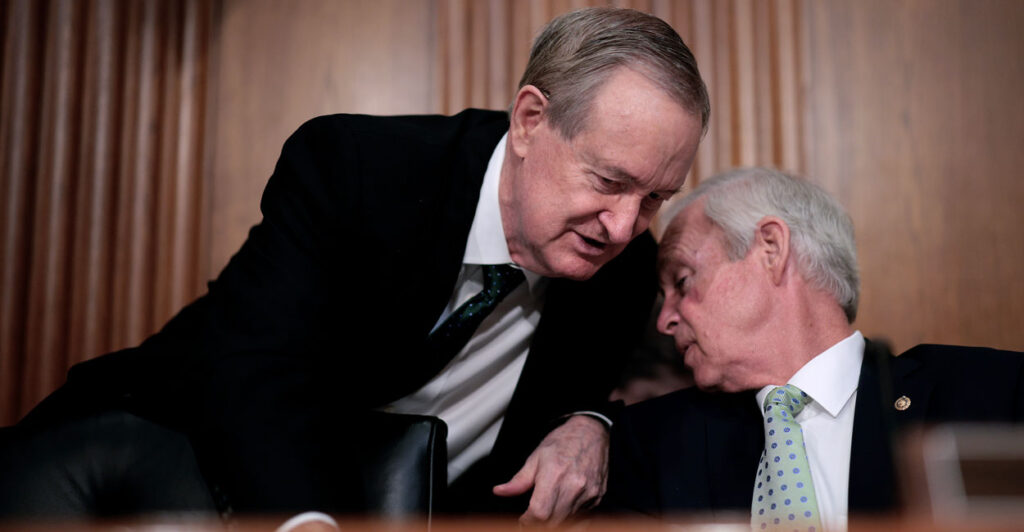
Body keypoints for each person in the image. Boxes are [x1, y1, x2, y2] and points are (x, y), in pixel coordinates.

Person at [1, 7, 709, 526]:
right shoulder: (357, 172)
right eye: (608, 181)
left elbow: (604, 395)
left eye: (654, 198)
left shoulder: (623, 265)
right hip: (178, 465)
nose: (623, 225)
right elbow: (255, 367)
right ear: (529, 120)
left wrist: (592, 421)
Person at [602, 167, 1024, 531]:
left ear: (771, 248)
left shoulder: (994, 393)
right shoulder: (653, 443)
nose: (665, 320)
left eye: (682, 280)